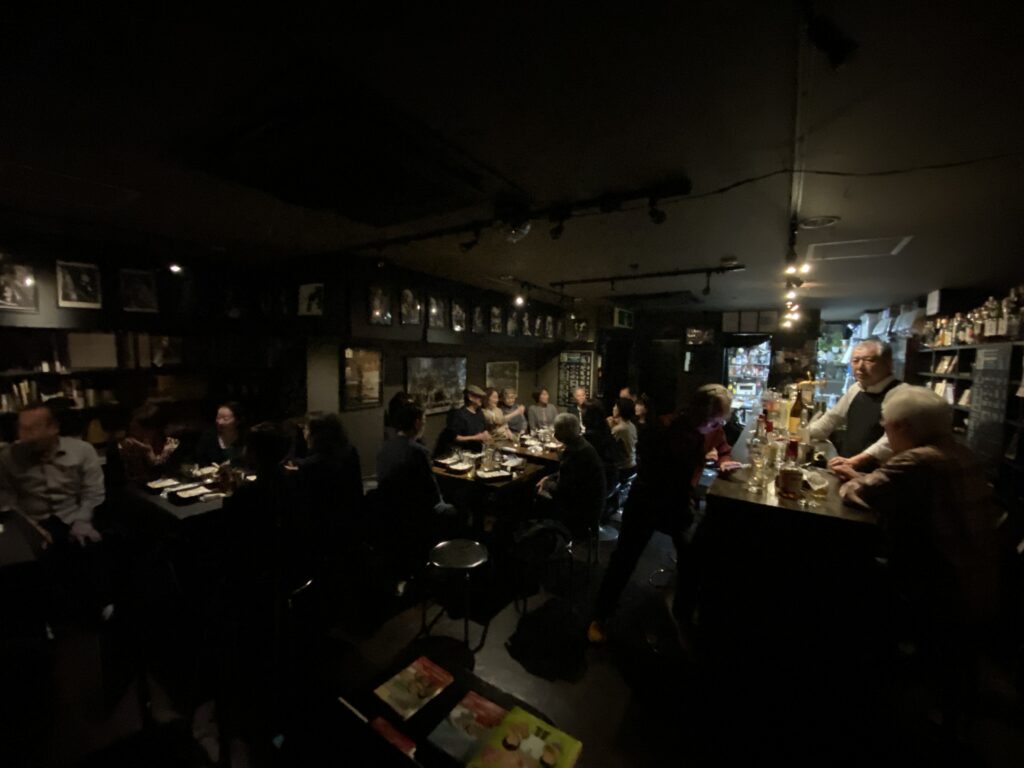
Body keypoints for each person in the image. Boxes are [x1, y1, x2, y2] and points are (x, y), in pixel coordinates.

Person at [838, 386, 999, 723]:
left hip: (936, 586)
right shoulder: (960, 451)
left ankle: (864, 688)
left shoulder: (916, 460)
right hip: (980, 580)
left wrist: (853, 480)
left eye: (886, 425)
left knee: (845, 576)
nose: (885, 431)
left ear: (903, 427)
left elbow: (859, 493)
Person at [588, 386, 733, 644]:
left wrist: (722, 459)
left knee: (689, 562)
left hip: (675, 501)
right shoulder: (666, 428)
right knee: (624, 560)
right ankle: (601, 616)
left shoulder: (706, 430)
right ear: (700, 412)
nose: (717, 425)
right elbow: (657, 471)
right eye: (714, 420)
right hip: (648, 501)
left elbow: (721, 446)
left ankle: (681, 616)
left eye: (719, 421)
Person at [0, 402, 110, 622]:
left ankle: (100, 607)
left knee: (91, 545)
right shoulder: (7, 458)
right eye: (22, 429)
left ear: (54, 427)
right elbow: (7, 500)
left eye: (33, 429)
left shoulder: (82, 450)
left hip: (73, 516)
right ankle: (42, 620)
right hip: (33, 521)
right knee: (21, 561)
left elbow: (92, 491)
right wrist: (31, 529)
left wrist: (82, 520)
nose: (25, 436)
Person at [808, 338, 906, 476]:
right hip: (846, 469)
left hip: (878, 477)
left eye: (869, 360)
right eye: (855, 360)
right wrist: (801, 434)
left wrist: (856, 460)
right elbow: (830, 420)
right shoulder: (855, 389)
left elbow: (890, 441)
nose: (860, 367)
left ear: (888, 364)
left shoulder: (901, 394)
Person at [378, 403, 460, 565]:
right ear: (416, 423)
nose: (424, 424)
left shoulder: (385, 448)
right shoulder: (418, 452)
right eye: (423, 420)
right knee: (458, 509)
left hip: (390, 510)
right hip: (416, 514)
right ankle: (448, 558)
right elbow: (432, 495)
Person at [296, 412, 363, 557]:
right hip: (350, 523)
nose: (304, 433)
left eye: (306, 430)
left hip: (322, 530)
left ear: (316, 435)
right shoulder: (350, 452)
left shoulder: (310, 466)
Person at [536, 414, 606, 538]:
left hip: (582, 509)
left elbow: (562, 490)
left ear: (562, 433)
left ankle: (547, 539)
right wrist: (549, 478)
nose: (555, 434)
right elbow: (569, 474)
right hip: (594, 502)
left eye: (556, 431)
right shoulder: (582, 444)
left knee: (535, 498)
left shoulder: (574, 453)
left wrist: (546, 484)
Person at [118, 403, 180, 482]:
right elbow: (131, 473)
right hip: (138, 483)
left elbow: (158, 469)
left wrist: (148, 451)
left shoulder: (170, 444)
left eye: (136, 429)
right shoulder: (132, 442)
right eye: (132, 428)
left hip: (164, 483)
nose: (132, 433)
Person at [582, 400, 622, 492]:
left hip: (598, 488)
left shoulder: (590, 438)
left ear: (587, 417)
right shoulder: (606, 432)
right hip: (612, 482)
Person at [442, 385, 492, 453]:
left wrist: (485, 433)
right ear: (470, 397)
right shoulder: (459, 415)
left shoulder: (479, 412)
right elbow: (454, 437)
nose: (481, 399)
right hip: (465, 452)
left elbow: (484, 428)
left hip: (479, 450)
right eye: (479, 397)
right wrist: (475, 437)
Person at [195, 401, 245, 466]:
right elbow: (200, 460)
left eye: (225, 419)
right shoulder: (208, 437)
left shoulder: (245, 437)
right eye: (218, 418)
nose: (220, 422)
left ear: (238, 421)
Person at [609, 398, 638, 473]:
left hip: (623, 467)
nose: (613, 408)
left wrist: (610, 427)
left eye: (615, 406)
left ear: (620, 410)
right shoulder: (631, 425)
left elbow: (609, 446)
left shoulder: (619, 429)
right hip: (633, 463)